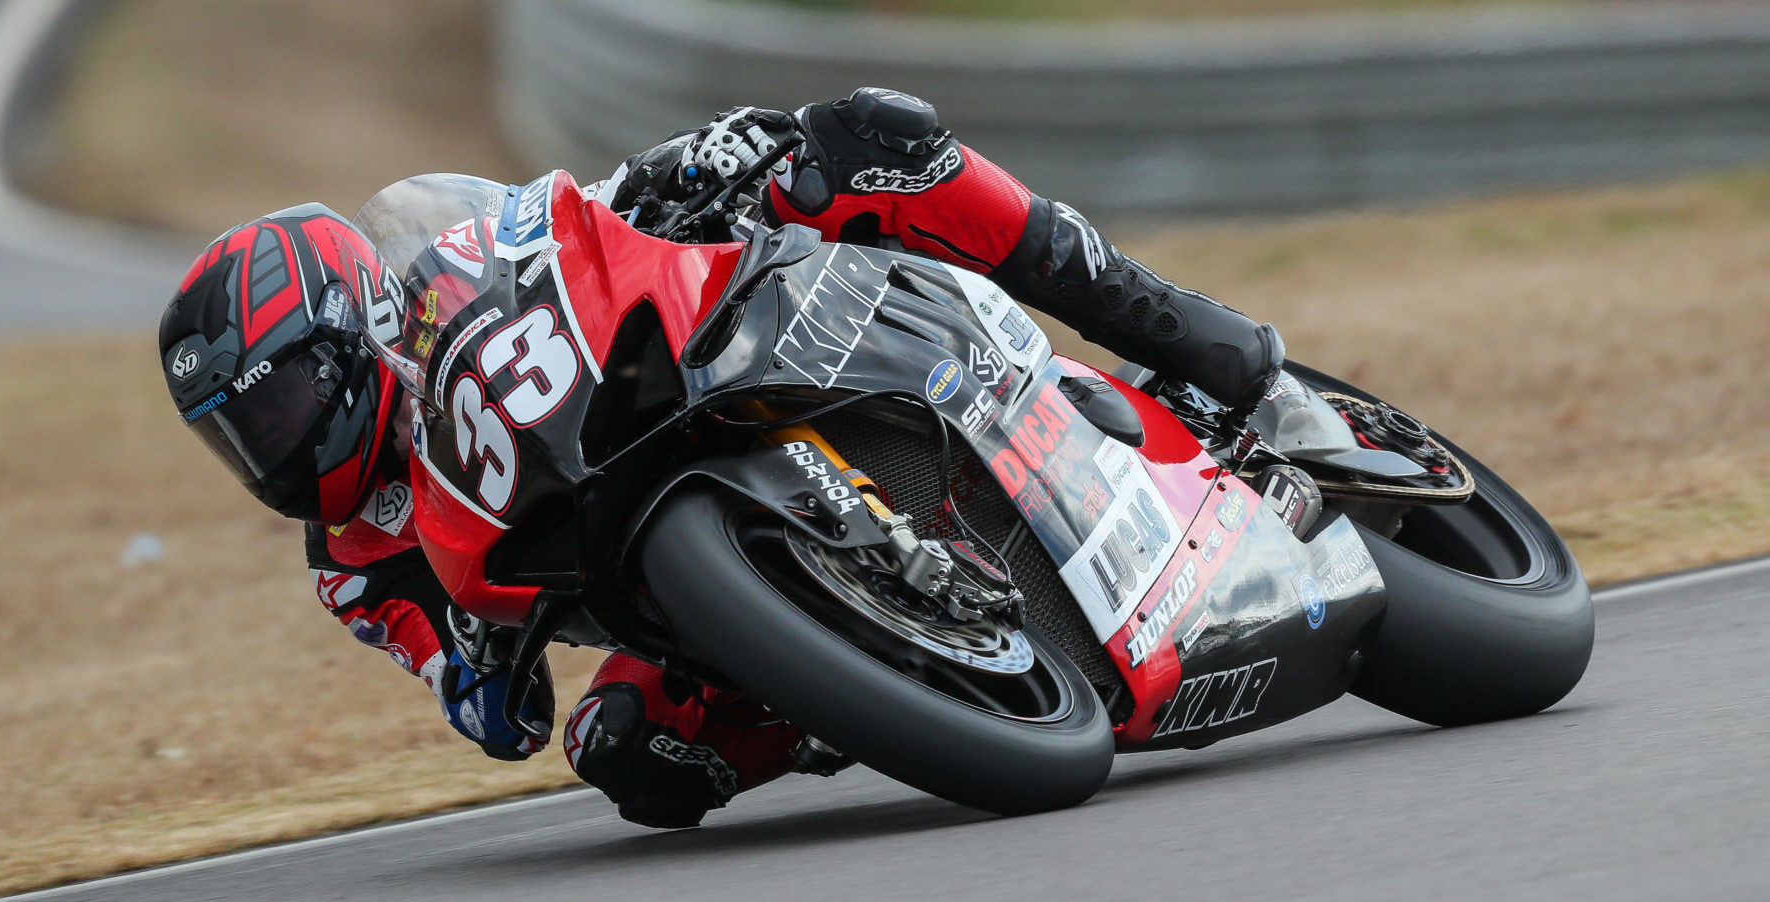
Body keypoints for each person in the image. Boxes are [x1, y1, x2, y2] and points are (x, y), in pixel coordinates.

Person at [158, 88, 1284, 829]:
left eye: (285, 401)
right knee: (625, 754)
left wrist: (697, 164)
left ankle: (1178, 331)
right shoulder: (351, 559)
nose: (279, 446)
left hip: (683, 375)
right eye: (241, 439)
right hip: (635, 583)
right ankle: (847, 689)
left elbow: (566, 225)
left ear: (354, 328)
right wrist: (476, 673)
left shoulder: (446, 272)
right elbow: (475, 701)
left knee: (865, 138)